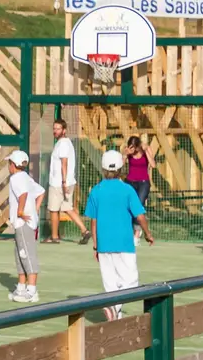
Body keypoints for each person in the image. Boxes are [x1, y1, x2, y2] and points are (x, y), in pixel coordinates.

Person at [84, 150, 153, 322]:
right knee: (131, 282)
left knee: (110, 284)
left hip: (104, 244)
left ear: (103, 168)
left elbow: (93, 221)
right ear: (122, 169)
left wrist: (95, 245)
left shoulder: (96, 191)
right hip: (124, 243)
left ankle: (115, 316)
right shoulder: (127, 190)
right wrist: (147, 233)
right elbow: (140, 216)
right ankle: (112, 308)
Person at [7, 150, 45, 303]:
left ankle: (32, 291)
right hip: (24, 223)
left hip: (23, 223)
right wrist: (35, 209)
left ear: (13, 165)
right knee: (19, 254)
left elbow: (22, 195)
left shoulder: (16, 178)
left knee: (26, 255)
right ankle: (21, 288)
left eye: (9, 163)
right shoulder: (25, 177)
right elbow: (41, 192)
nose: (8, 166)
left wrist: (21, 211)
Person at [46, 118, 88, 244]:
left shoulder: (63, 143)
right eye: (54, 128)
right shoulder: (65, 142)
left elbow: (64, 162)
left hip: (60, 183)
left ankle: (54, 237)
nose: (55, 131)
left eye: (58, 129)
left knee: (53, 209)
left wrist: (63, 182)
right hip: (66, 182)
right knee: (67, 208)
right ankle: (85, 230)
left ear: (64, 130)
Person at [123, 136, 153, 208]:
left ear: (137, 147)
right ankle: (131, 219)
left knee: (139, 205)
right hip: (130, 182)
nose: (132, 150)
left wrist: (146, 151)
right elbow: (121, 165)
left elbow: (153, 164)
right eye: (130, 147)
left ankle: (138, 218)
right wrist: (125, 154)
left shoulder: (146, 149)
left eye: (133, 147)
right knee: (128, 205)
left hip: (143, 183)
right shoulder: (128, 151)